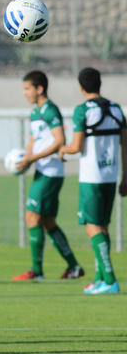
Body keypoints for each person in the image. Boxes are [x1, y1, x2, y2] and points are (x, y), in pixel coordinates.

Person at [59, 67, 127, 294]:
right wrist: (125, 176)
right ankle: (99, 279)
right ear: (100, 83)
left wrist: (62, 150)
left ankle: (110, 280)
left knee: (93, 227)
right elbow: (125, 144)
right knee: (103, 227)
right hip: (110, 175)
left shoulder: (83, 110)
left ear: (81, 87)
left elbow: (76, 146)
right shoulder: (116, 109)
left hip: (91, 177)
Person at [12, 70, 83, 281]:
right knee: (48, 222)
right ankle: (74, 267)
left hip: (50, 172)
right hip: (42, 171)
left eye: (27, 88)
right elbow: (33, 142)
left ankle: (37, 271)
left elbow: (60, 141)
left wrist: (32, 158)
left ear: (40, 88)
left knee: (31, 217)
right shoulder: (35, 113)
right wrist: (22, 159)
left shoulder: (50, 110)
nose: (24, 93)